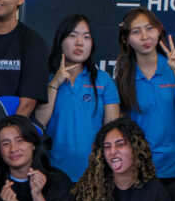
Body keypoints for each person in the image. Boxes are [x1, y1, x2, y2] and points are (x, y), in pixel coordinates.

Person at [111, 8, 175, 183]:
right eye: (136, 31)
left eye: (149, 28)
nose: (145, 36)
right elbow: (117, 123)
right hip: (137, 167)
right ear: (126, 39)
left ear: (159, 31)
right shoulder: (123, 74)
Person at [36, 13, 120, 179]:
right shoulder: (47, 78)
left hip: (94, 174)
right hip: (53, 173)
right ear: (60, 41)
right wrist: (55, 84)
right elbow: (39, 122)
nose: (79, 42)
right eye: (72, 36)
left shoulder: (103, 80)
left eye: (86, 37)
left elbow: (112, 131)